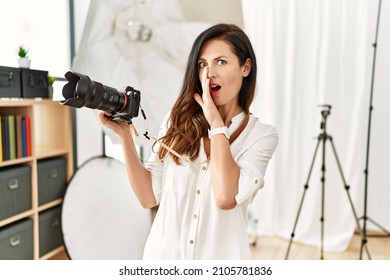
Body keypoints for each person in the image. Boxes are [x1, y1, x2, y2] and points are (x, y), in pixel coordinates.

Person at [98, 23, 278, 260]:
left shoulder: (262, 135)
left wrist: (216, 125)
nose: (209, 73)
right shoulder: (177, 120)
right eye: (202, 64)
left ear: (246, 67)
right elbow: (148, 196)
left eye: (221, 62)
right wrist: (124, 135)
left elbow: (226, 197)